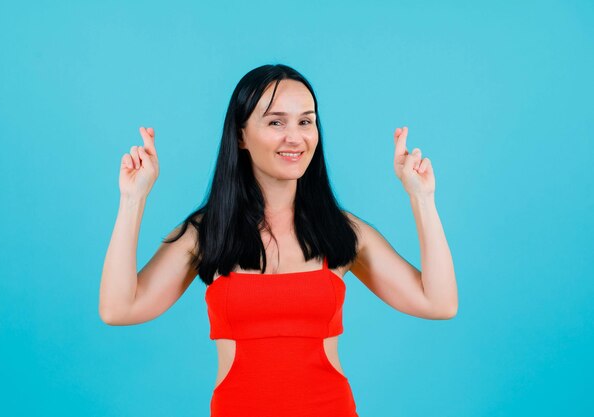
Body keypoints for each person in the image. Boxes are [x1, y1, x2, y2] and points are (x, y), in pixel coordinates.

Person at [99, 64, 458, 417]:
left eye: (306, 121)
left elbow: (438, 303)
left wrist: (422, 198)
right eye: (276, 122)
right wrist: (133, 199)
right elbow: (119, 309)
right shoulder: (207, 233)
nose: (295, 137)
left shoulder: (341, 232)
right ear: (240, 135)